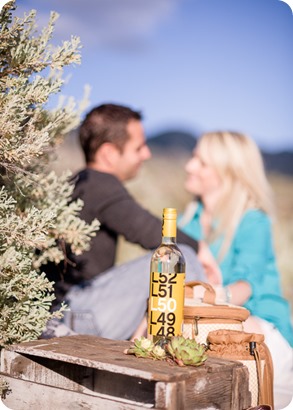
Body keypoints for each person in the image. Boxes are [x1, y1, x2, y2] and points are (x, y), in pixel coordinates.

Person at [45, 103, 208, 341]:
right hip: (78, 313)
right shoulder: (100, 184)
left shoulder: (81, 182)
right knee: (183, 255)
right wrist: (201, 249)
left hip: (69, 310)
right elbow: (148, 230)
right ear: (109, 153)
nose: (147, 154)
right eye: (138, 147)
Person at [178, 130, 293, 409]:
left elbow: (246, 286)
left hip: (258, 333)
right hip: (199, 328)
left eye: (200, 161)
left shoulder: (253, 221)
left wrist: (212, 295)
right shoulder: (187, 222)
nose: (189, 166)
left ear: (227, 172)